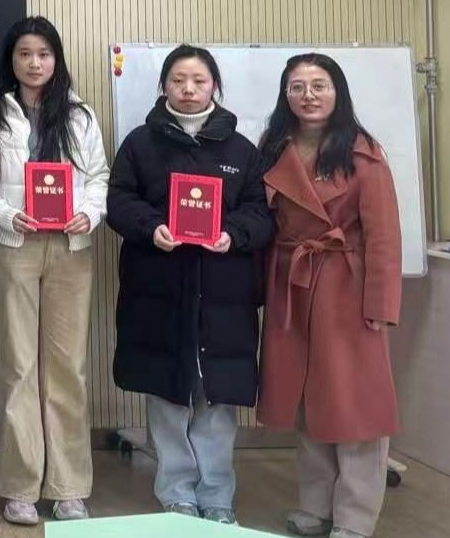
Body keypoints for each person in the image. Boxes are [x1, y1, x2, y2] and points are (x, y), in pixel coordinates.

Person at [106, 45, 274, 524]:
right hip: (158, 290)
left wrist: (232, 234)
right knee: (168, 396)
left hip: (224, 295)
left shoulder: (241, 150)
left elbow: (261, 214)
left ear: (214, 86)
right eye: (178, 80)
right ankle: (176, 492)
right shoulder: (140, 143)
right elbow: (118, 200)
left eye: (199, 80)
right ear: (163, 86)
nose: (188, 89)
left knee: (216, 399)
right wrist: (150, 227)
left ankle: (217, 497)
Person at [0, 16, 109, 526]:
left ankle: (68, 487)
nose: (34, 63)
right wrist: (5, 215)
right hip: (13, 247)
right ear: (12, 59)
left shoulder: (80, 115)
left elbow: (99, 176)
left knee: (67, 368)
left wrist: (88, 213)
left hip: (71, 248)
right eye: (24, 53)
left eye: (44, 54)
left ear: (56, 60)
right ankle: (20, 486)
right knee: (18, 366)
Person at [255, 55, 401, 538]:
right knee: (306, 399)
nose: (309, 95)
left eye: (319, 85)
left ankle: (355, 518)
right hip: (291, 284)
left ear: (338, 91)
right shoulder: (274, 147)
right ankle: (317, 507)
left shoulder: (363, 152)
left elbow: (384, 237)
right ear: (286, 96)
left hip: (346, 287)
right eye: (297, 87)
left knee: (354, 404)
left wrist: (381, 305)